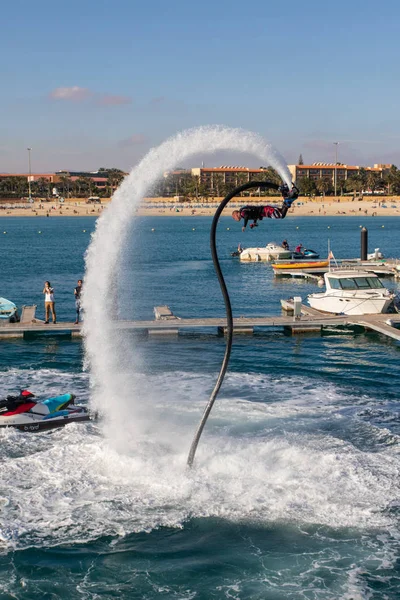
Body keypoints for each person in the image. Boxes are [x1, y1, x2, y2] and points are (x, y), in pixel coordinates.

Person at [232, 184, 298, 231]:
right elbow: (254, 213)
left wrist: (244, 226)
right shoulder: (244, 211)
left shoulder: (242, 213)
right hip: (266, 210)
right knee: (281, 212)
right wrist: (254, 223)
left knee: (281, 215)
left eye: (234, 218)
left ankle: (287, 200)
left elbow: (246, 216)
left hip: (266, 211)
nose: (234, 219)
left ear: (235, 214)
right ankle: (286, 194)